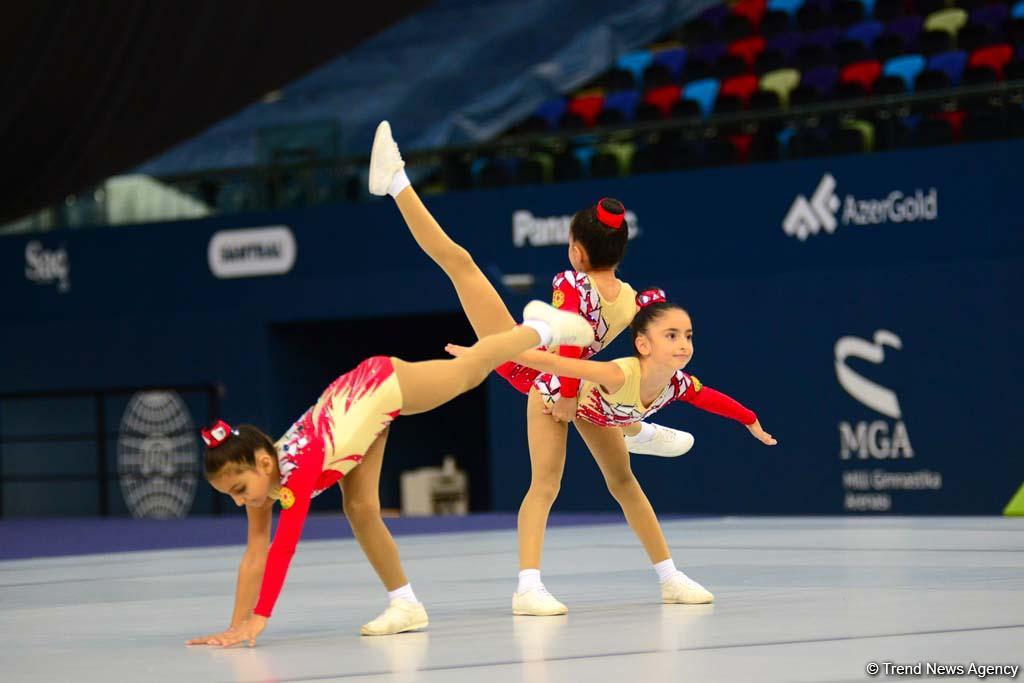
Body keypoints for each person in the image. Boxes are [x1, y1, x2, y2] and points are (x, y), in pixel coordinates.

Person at [369, 120, 777, 616]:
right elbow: (623, 344)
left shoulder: (575, 285)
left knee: (460, 264)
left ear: (578, 251)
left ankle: (667, 570)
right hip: (553, 370)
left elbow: (580, 352)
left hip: (547, 375)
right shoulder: (635, 299)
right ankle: (530, 584)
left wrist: (564, 394)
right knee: (596, 482)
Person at [186, 300, 594, 647]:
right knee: (361, 510)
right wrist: (235, 627)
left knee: (470, 371)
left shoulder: (299, 469)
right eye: (232, 497)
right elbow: (255, 553)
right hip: (352, 427)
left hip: (382, 383)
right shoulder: (264, 482)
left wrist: (260, 618)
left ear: (262, 461)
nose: (241, 501)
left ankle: (541, 327)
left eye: (239, 489)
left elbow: (283, 548)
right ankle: (405, 604)